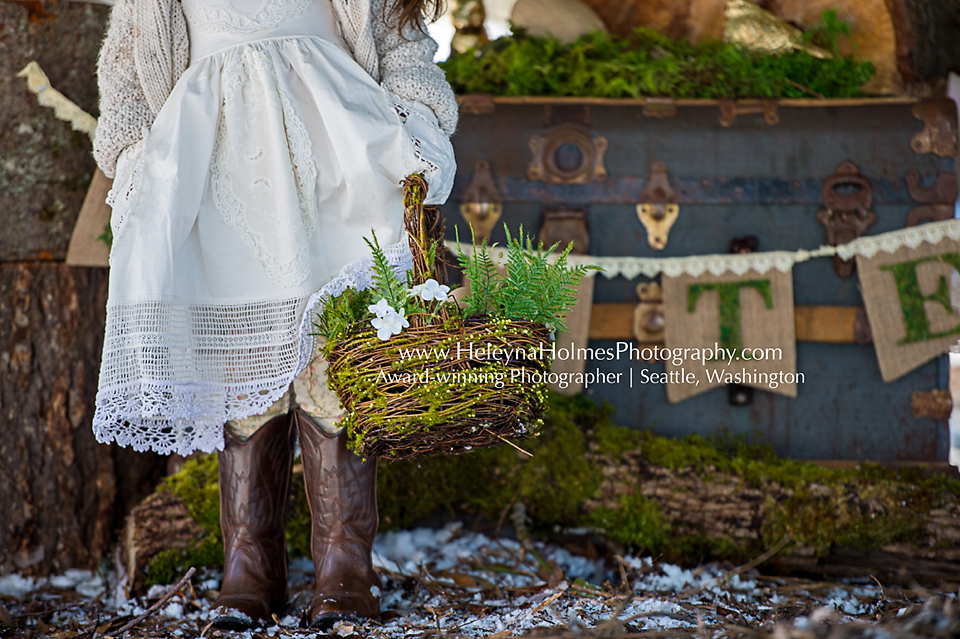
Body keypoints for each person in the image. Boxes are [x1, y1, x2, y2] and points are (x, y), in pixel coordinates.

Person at [90, 0, 458, 628]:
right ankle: (250, 566)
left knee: (332, 361)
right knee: (245, 369)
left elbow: (403, 47)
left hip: (337, 155)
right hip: (215, 163)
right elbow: (126, 69)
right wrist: (132, 160)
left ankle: (345, 563)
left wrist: (416, 124)